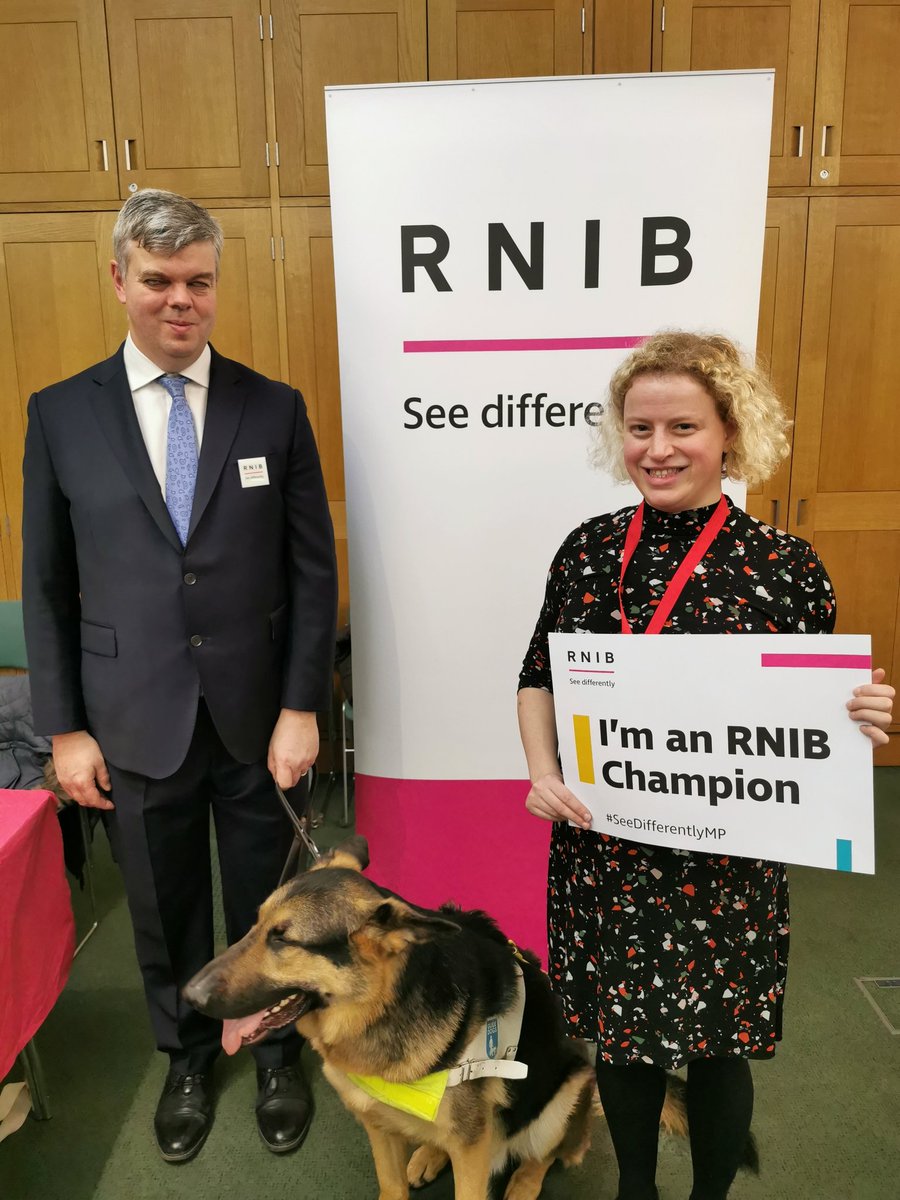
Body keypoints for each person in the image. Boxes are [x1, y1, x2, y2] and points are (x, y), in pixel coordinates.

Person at [517, 332, 895, 1200]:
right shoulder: (586, 552)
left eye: (682, 427)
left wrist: (864, 715)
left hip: (728, 858)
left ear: (729, 430)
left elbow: (822, 716)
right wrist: (542, 770)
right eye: (639, 429)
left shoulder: (786, 567)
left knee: (721, 1046)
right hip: (606, 843)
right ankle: (637, 1192)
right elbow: (537, 677)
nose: (658, 449)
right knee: (623, 1038)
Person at [22, 189, 338, 1164]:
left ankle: (278, 1048)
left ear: (215, 283)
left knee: (269, 901)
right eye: (158, 281)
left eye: (198, 281)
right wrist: (65, 728)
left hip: (256, 717)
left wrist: (301, 706)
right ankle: (189, 1053)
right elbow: (46, 583)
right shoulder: (61, 415)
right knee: (163, 905)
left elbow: (311, 572)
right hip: (130, 717)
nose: (180, 301)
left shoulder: (272, 409)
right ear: (118, 280)